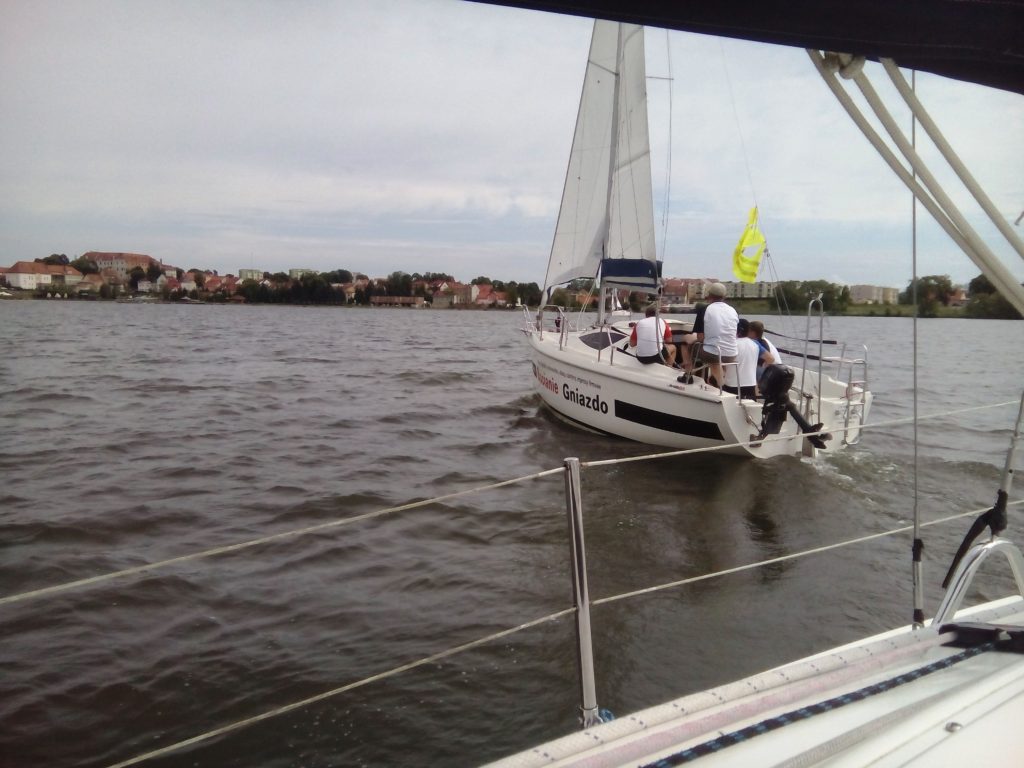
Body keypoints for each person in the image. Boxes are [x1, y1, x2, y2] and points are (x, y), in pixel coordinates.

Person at [700, 283, 738, 387]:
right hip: (732, 354)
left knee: (690, 345)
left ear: (709, 296)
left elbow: (700, 337)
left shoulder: (705, 309)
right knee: (717, 353)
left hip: (714, 354)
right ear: (724, 297)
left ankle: (688, 375)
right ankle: (716, 380)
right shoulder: (733, 310)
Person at [722, 319, 760, 399]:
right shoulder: (755, 345)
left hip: (732, 385)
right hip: (751, 385)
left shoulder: (732, 345)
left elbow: (723, 365)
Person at [747, 320, 778, 385]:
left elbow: (770, 360)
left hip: (762, 370)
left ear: (753, 333)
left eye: (748, 331)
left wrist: (763, 367)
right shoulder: (763, 342)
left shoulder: (756, 344)